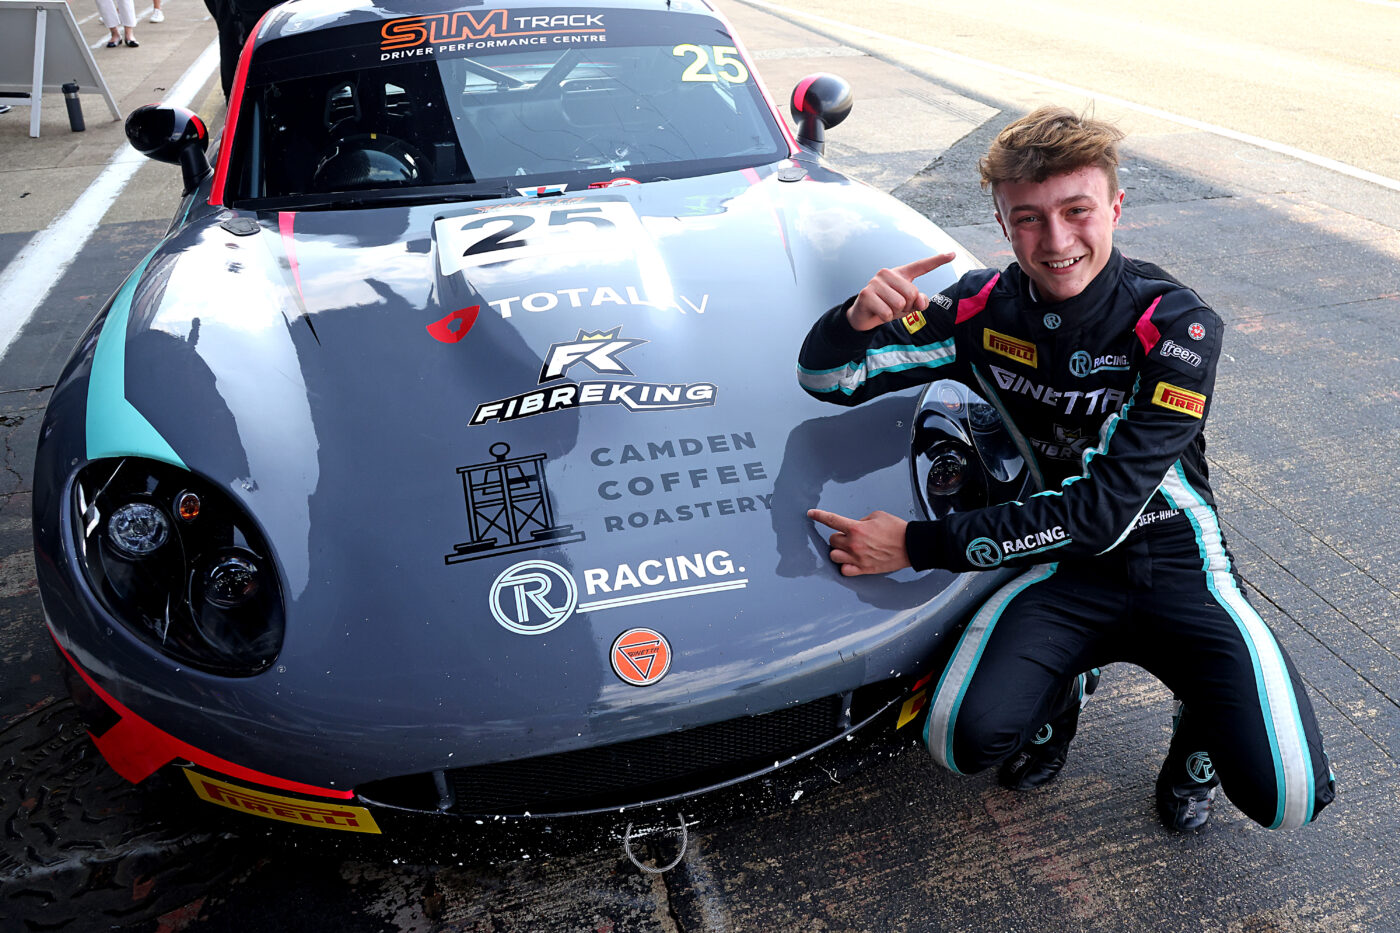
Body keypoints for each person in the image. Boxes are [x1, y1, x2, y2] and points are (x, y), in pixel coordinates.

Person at [797, 106, 1334, 833]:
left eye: (1077, 211)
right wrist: (851, 321)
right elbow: (829, 379)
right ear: (1000, 219)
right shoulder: (980, 306)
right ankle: (1063, 695)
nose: (1056, 241)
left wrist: (917, 543)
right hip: (1061, 566)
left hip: (1175, 556)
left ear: (1115, 206)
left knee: (1289, 798)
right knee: (961, 739)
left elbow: (1100, 515)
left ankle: (1196, 727)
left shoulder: (1177, 322)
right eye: (1028, 218)